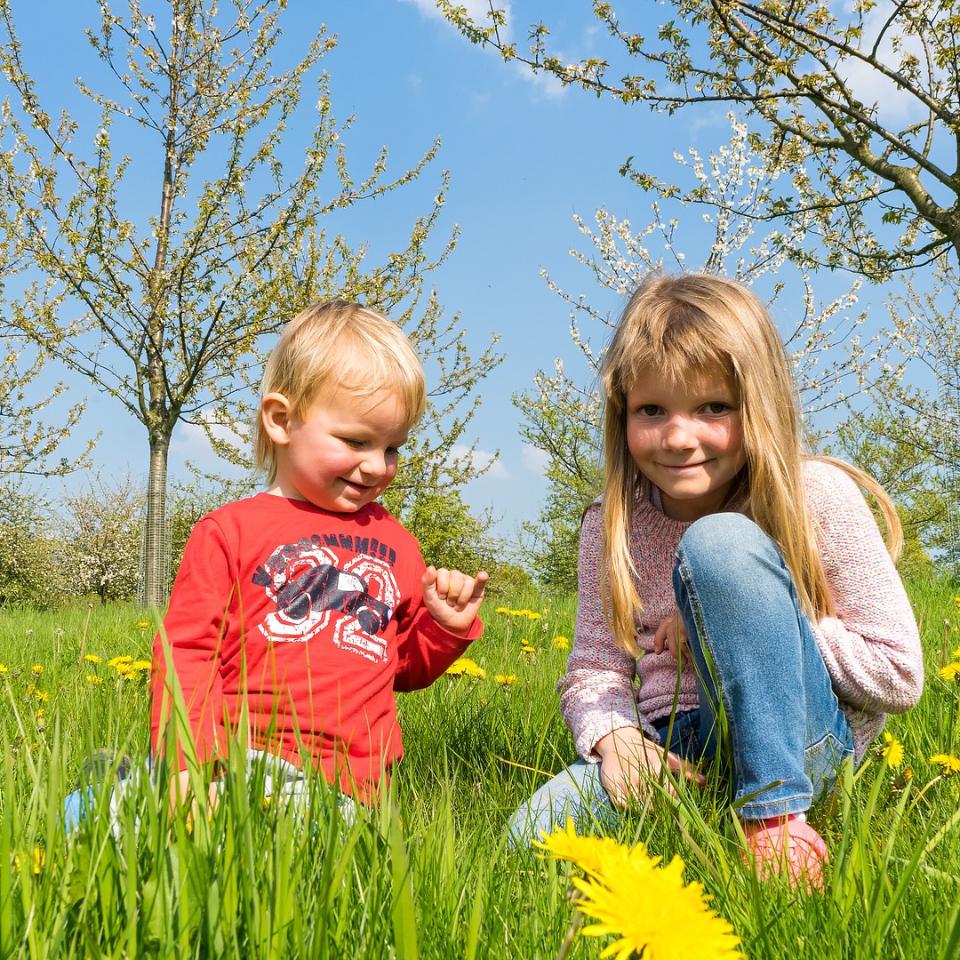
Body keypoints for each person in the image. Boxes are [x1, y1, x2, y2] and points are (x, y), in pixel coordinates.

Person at [508, 274, 923, 889]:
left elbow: (899, 675)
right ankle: (708, 809)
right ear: (622, 412)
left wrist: (750, 616)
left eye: (713, 408)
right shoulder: (609, 523)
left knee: (721, 544)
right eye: (652, 410)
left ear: (759, 405)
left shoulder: (819, 497)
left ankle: (776, 819)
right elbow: (594, 669)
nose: (679, 437)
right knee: (530, 839)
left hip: (803, 742)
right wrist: (618, 739)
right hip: (675, 747)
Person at [150, 299, 488, 815]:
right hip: (240, 762)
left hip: (352, 788)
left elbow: (402, 667)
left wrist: (445, 628)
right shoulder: (229, 532)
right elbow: (186, 654)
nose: (378, 466)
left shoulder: (395, 542)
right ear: (281, 420)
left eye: (393, 447)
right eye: (356, 441)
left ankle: (121, 801)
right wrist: (187, 765)